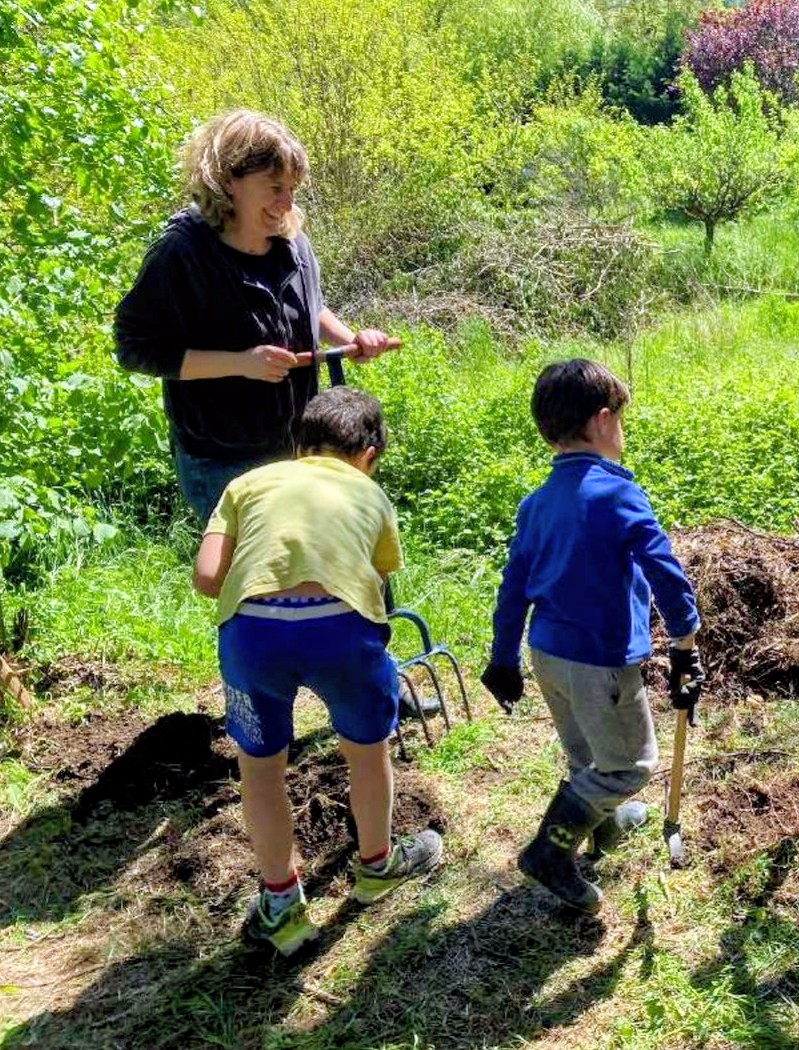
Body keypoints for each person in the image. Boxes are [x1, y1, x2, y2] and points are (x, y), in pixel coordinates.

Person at [193, 386, 442, 955]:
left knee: (259, 769)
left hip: (253, 635)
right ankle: (376, 866)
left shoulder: (245, 485)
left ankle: (281, 903)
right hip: (343, 631)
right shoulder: (370, 491)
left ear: (296, 446)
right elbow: (379, 577)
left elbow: (208, 579)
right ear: (370, 455)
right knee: (367, 750)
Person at [480, 359, 704, 914]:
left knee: (587, 756)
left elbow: (514, 587)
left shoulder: (536, 504)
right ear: (603, 422)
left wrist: (502, 658)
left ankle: (601, 828)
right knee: (630, 766)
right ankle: (550, 853)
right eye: (621, 420)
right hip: (598, 661)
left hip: (547, 655)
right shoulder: (617, 495)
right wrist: (686, 638)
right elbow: (664, 569)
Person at [115, 108, 398, 524]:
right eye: (275, 187)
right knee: (257, 583)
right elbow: (137, 349)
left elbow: (310, 306)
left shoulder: (292, 242)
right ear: (229, 181)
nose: (287, 203)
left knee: (303, 575)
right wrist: (243, 364)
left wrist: (348, 339)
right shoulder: (182, 253)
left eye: (293, 189)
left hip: (301, 447)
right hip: (223, 459)